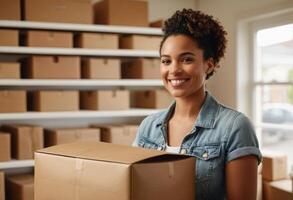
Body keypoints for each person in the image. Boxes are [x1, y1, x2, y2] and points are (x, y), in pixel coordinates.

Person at [132, 9, 262, 200]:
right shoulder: (147, 127)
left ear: (209, 64)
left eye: (186, 59)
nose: (174, 70)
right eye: (166, 61)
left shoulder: (235, 127)